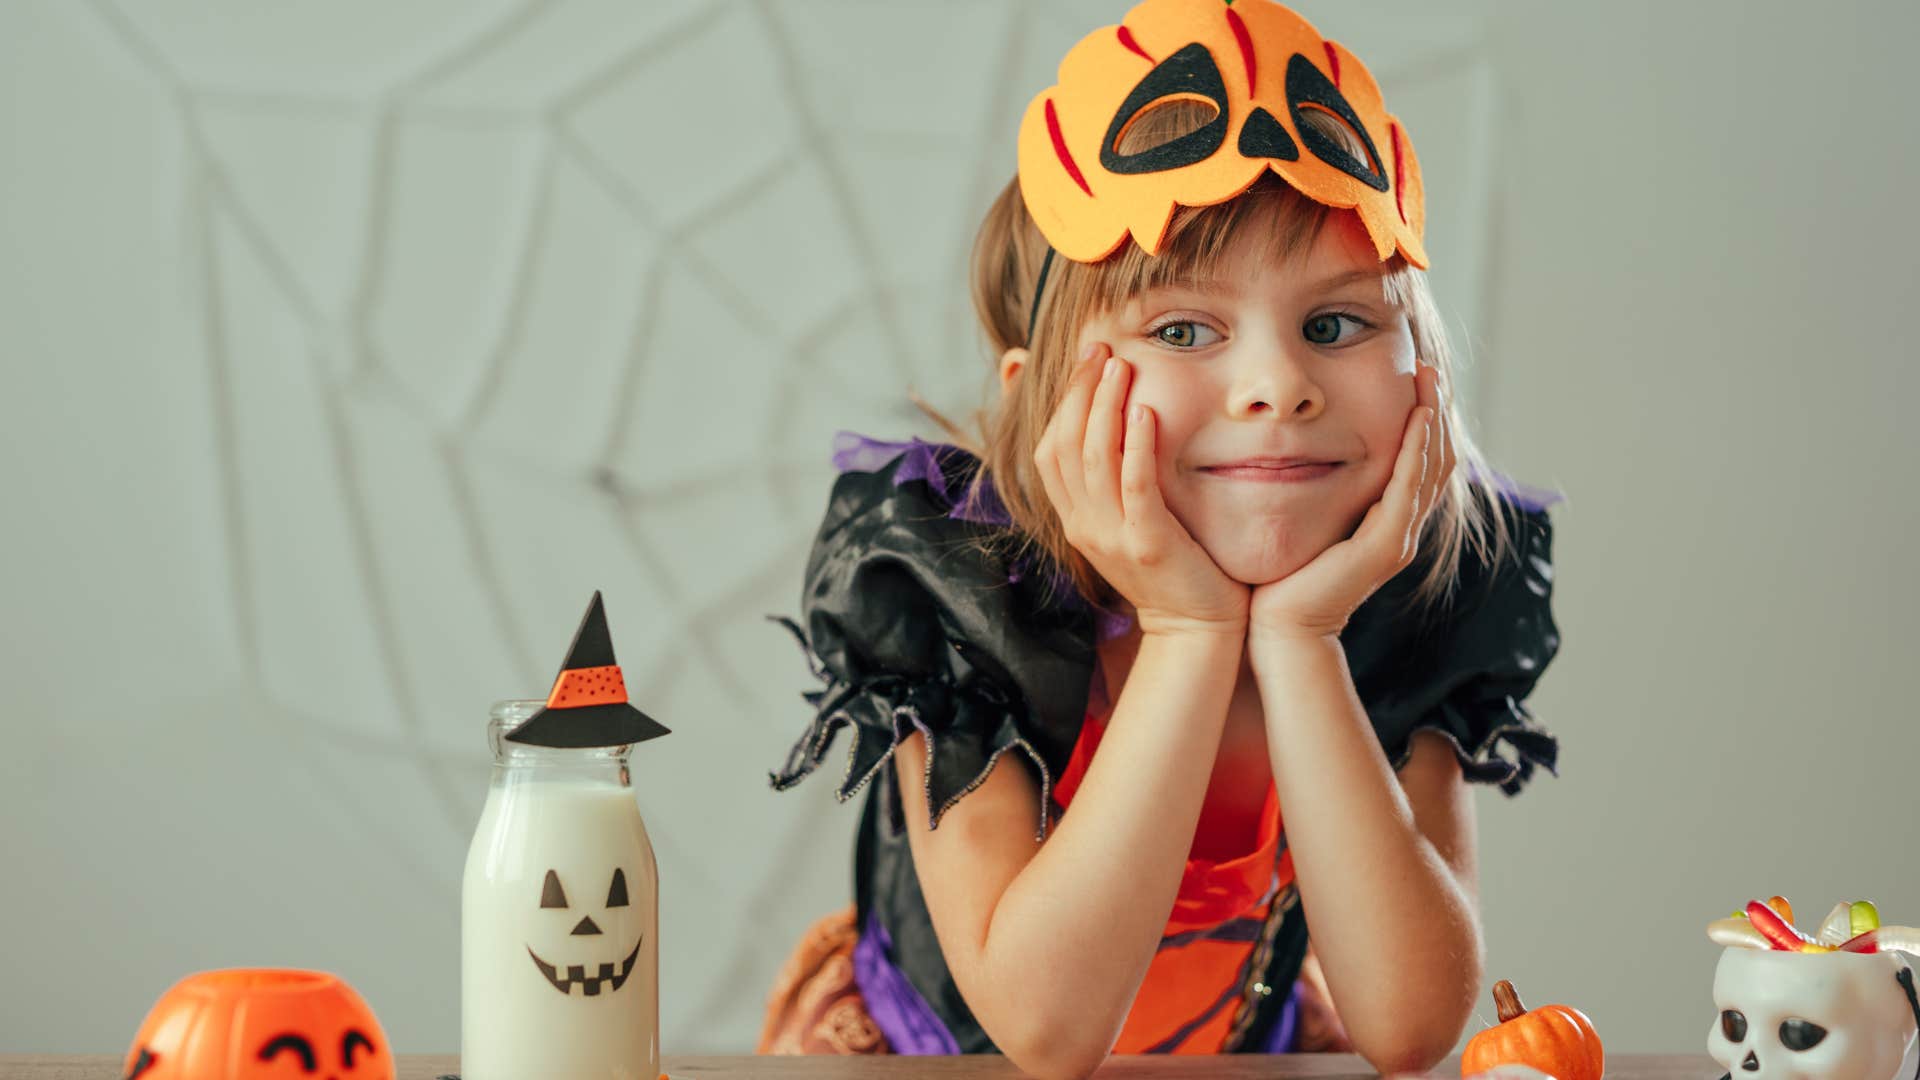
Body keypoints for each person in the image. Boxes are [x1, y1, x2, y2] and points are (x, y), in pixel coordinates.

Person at [757, 1, 1560, 1075]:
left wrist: (1303, 642)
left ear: (1421, 370)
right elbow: (1041, 1030)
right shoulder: (961, 596)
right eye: (1184, 330)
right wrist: (1187, 632)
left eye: (1336, 324)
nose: (1279, 386)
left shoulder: (1402, 602)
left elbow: (1413, 1028)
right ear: (1044, 406)